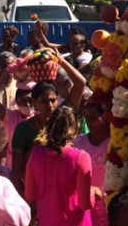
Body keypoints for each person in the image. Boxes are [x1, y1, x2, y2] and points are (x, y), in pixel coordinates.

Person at [11, 52, 86, 196]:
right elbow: (17, 171)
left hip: (66, 187)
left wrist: (61, 61)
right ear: (33, 103)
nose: (50, 106)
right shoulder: (23, 129)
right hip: (37, 192)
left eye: (53, 100)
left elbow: (81, 83)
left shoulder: (64, 116)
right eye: (44, 102)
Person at [24, 106, 94, 226]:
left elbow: (30, 196)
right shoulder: (80, 158)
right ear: (75, 129)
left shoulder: (36, 154)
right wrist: (94, 192)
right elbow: (85, 204)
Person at [73, 102, 114, 226]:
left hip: (107, 209)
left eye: (94, 118)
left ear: (106, 118)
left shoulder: (115, 142)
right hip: (83, 206)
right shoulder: (78, 142)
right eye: (87, 118)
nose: (89, 122)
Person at [0, 79, 34, 169]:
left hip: (33, 166)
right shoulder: (10, 116)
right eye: (23, 100)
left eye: (30, 101)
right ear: (16, 100)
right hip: (13, 166)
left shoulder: (38, 117)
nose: (27, 104)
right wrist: (4, 76)